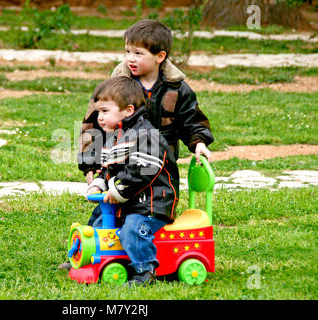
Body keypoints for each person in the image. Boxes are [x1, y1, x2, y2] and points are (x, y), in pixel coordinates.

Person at [60, 19, 214, 272]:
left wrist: (198, 142)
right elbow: (93, 124)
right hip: (119, 164)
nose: (130, 58)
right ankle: (90, 256)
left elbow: (192, 119)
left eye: (138, 53)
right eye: (127, 51)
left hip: (157, 171)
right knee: (103, 214)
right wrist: (90, 163)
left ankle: (140, 261)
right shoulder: (116, 87)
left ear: (160, 56)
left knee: (139, 215)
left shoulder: (177, 89)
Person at [87, 76, 179, 286]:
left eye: (105, 111)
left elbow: (141, 172)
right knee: (99, 222)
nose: (99, 117)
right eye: (98, 111)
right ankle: (88, 258)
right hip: (130, 201)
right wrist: (99, 184)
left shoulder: (146, 136)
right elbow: (109, 169)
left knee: (133, 229)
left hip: (151, 203)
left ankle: (144, 271)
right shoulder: (115, 135)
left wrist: (117, 191)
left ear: (128, 111)